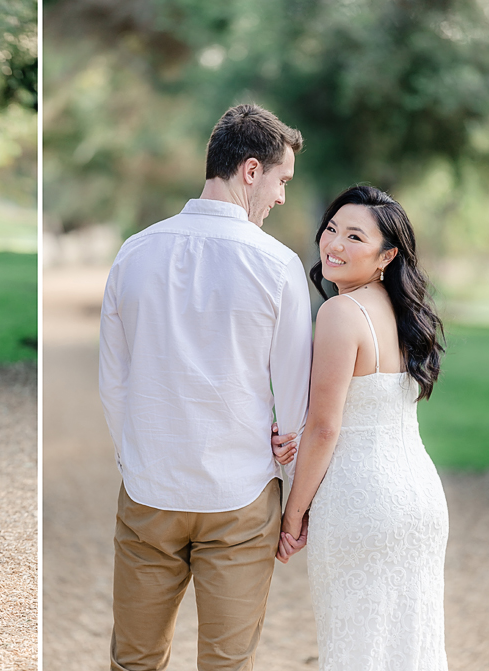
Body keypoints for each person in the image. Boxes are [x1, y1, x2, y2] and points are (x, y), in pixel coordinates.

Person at [98, 103, 312, 671]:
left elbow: (113, 381)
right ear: (250, 170)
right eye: (281, 179)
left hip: (150, 491)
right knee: (227, 663)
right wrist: (291, 496)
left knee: (134, 661)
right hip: (240, 497)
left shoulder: (133, 253)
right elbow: (294, 402)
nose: (282, 196)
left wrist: (136, 459)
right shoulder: (279, 264)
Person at [274, 185, 448, 670]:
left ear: (385, 256)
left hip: (362, 504)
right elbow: (363, 414)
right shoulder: (407, 315)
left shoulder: (339, 312)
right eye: (331, 229)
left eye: (354, 236)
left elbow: (327, 429)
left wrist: (293, 514)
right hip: (421, 501)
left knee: (357, 649)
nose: (334, 244)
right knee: (411, 648)